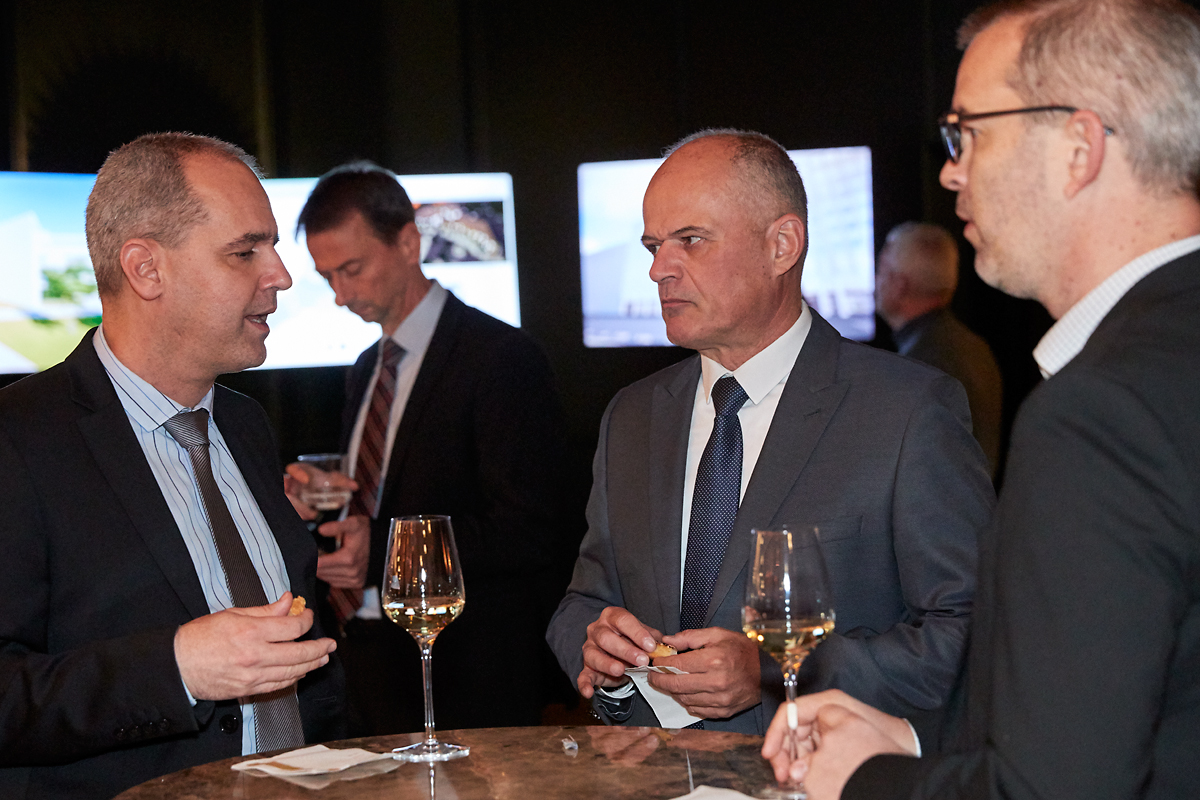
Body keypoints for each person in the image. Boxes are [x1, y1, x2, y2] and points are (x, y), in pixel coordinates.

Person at [762, 1, 1200, 797]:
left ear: (1079, 148)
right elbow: (1146, 706)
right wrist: (912, 739)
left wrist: (866, 780)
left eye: (967, 132)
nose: (950, 170)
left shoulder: (1101, 414)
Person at [547, 130, 994, 738]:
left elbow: (972, 631)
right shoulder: (633, 415)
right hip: (654, 772)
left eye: (690, 240)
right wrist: (598, 649)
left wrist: (773, 672)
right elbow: (584, 601)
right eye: (653, 246)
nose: (657, 270)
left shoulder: (906, 411)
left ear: (782, 245)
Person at [0, 133, 344, 800]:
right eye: (244, 252)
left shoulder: (245, 424)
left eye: (273, 248)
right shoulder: (18, 439)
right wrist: (177, 668)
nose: (281, 275)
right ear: (146, 269)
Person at [289, 161, 566, 735]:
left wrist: (385, 550)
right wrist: (322, 500)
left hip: (470, 673)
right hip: (365, 656)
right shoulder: (366, 367)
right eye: (327, 277)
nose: (340, 296)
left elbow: (531, 530)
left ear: (409, 244)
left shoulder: (501, 358)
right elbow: (382, 493)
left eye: (352, 269)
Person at [875, 222, 1002, 476]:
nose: (875, 281)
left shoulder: (920, 367)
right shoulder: (973, 347)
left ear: (899, 285)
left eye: (880, 271)